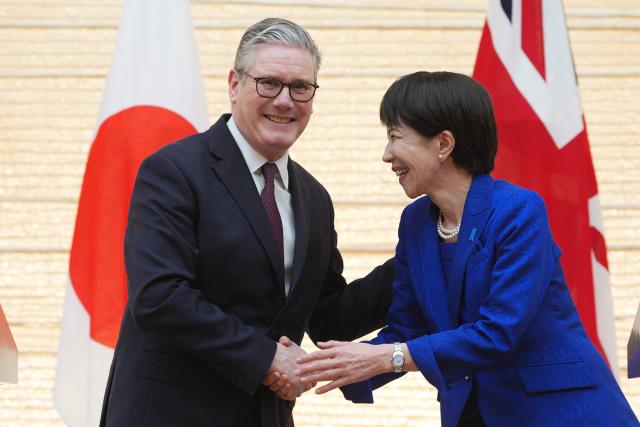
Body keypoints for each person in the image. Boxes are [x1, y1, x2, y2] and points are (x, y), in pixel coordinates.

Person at [295, 71, 639, 427]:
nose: (387, 155)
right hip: (474, 413)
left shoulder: (518, 211)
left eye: (395, 137)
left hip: (562, 413)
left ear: (443, 144)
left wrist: (387, 357)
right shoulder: (416, 222)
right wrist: (314, 366)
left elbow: (498, 332)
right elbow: (406, 331)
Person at [99, 18, 394, 427]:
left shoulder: (314, 198)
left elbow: (331, 317)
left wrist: (420, 251)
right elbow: (160, 295)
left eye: (300, 87)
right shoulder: (174, 171)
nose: (285, 100)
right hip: (169, 413)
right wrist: (267, 357)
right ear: (235, 84)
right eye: (268, 82)